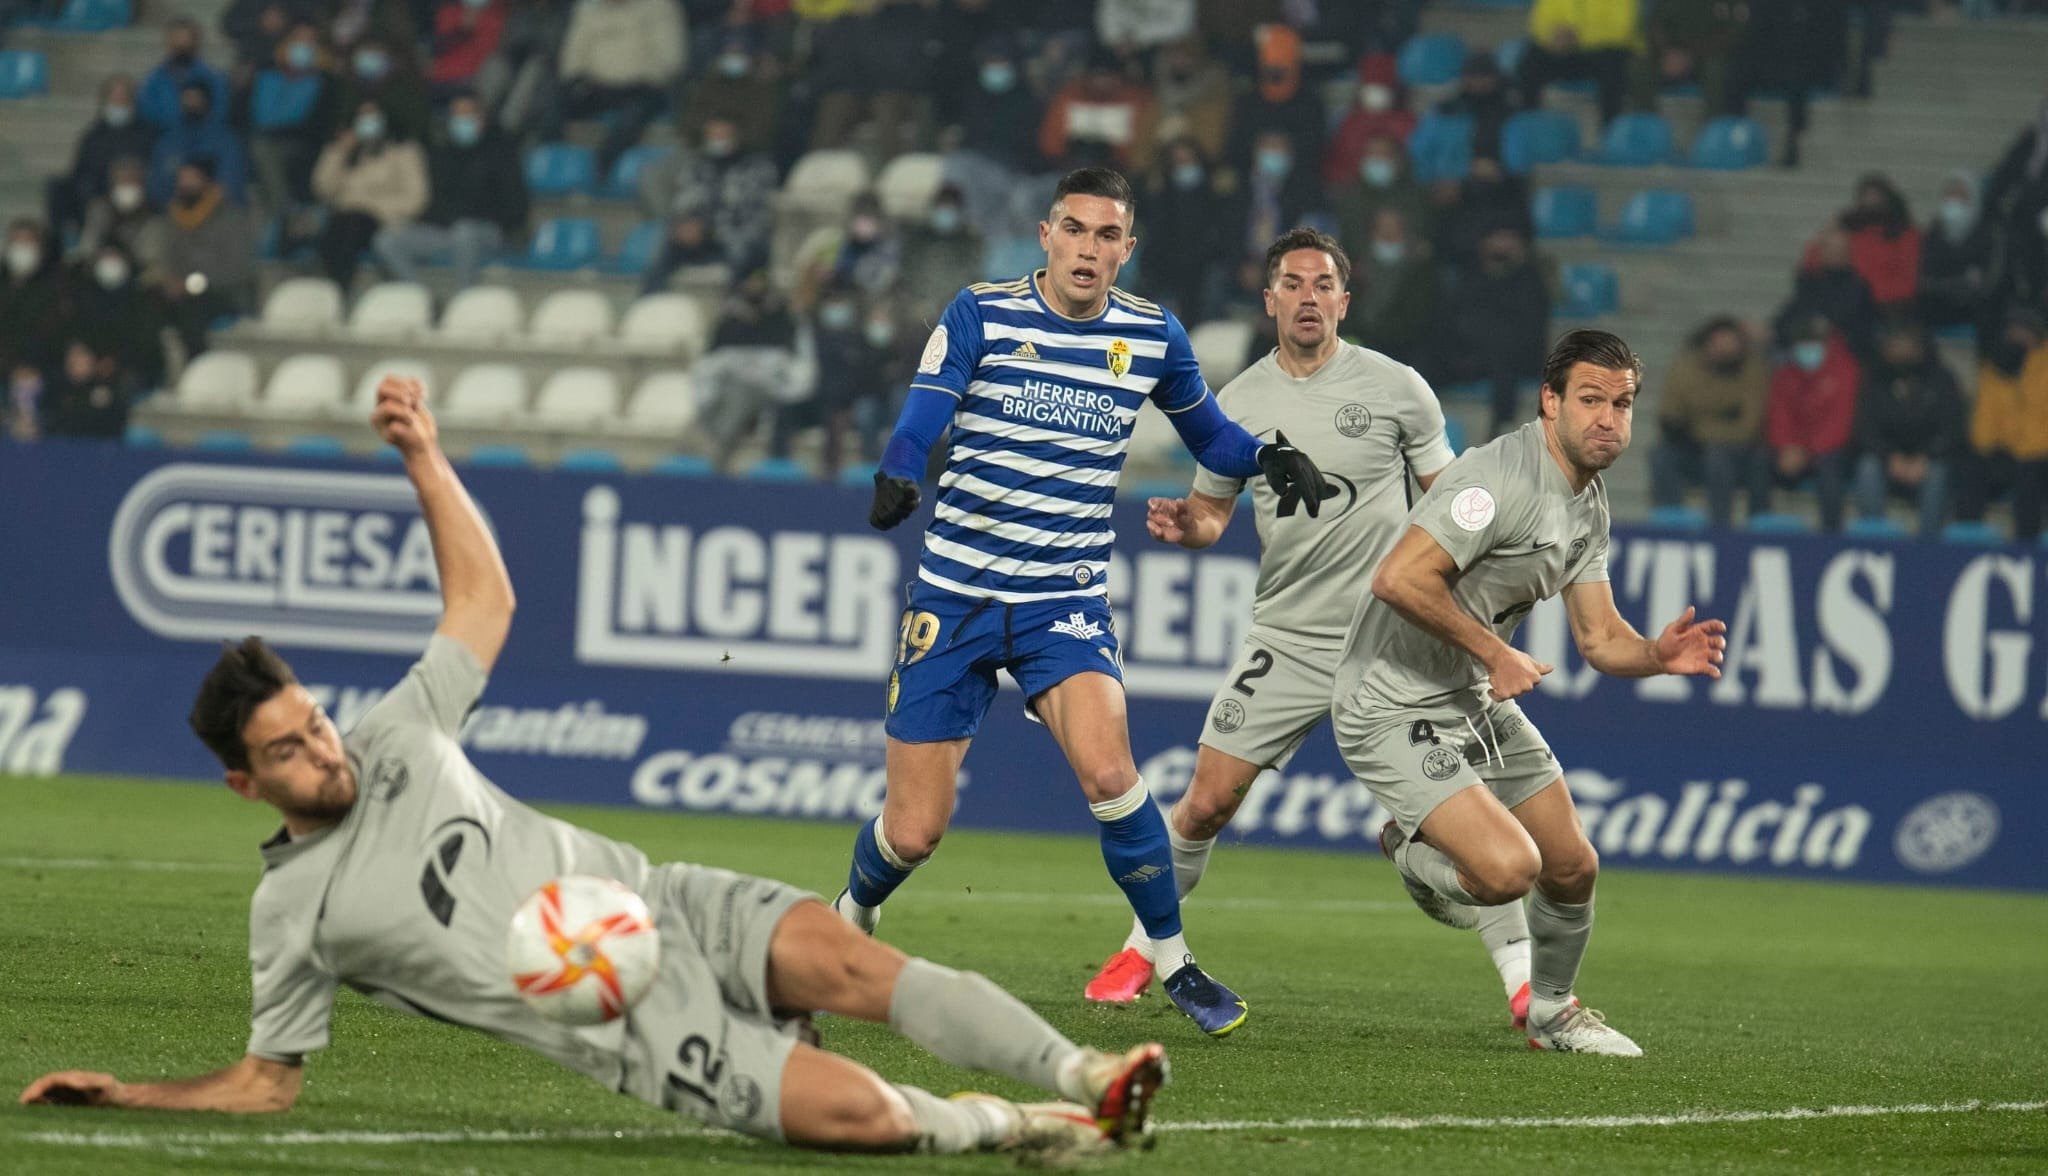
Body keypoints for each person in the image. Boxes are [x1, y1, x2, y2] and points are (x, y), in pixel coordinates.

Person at [16, 377, 1171, 1164]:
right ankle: (1022, 1126)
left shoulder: (396, 733)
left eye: (312, 724)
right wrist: (132, 1094)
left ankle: (1088, 1074)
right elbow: (268, 1082)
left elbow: (484, 600)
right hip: (629, 1028)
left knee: (858, 964)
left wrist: (423, 456)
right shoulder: (291, 912)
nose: (322, 751)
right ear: (245, 785)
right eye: (287, 752)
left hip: (663, 901)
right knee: (864, 1122)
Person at [840, 168, 1335, 1039]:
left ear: (1126, 249)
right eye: (1074, 229)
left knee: (1112, 775)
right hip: (955, 597)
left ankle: (1172, 958)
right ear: (1046, 235)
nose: (1088, 248)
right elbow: (923, 415)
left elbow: (1210, 435)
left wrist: (1266, 456)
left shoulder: (1150, 333)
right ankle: (852, 912)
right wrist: (899, 471)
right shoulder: (981, 312)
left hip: (1061, 601)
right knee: (914, 833)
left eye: (1107, 236)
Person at [1083, 228, 1536, 1030]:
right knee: (1206, 803)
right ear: (1269, 300)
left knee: (1467, 804)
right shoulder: (1237, 403)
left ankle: (1527, 985)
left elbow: (1452, 503)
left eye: (1323, 284)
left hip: (1394, 637)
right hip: (1288, 637)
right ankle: (1142, 948)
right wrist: (1188, 525)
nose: (1307, 297)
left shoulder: (1397, 388)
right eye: (1292, 283)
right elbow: (1213, 514)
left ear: (1344, 301)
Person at [1332, 328, 1728, 1057]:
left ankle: (1551, 1014)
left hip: (1469, 696)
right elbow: (1398, 579)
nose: (1608, 419)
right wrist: (1494, 651)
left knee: (1573, 866)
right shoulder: (1495, 482)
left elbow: (1600, 638)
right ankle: (1408, 850)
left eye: (1622, 404)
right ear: (1550, 402)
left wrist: (1655, 655)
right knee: (1508, 872)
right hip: (1388, 702)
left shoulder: (1588, 502)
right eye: (1590, 400)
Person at [374, 93, 526, 290]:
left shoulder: (502, 152)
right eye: (457, 115)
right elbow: (432, 201)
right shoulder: (442, 153)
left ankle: (465, 298)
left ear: (482, 117)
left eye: (468, 114)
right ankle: (422, 296)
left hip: (490, 231)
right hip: (446, 228)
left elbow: (515, 204)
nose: (462, 120)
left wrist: (475, 216)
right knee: (387, 240)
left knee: (464, 231)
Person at [1649, 316, 1771, 528]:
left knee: (1718, 458)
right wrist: (1722, 417)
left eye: (1729, 344)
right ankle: (1671, 523)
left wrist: (1700, 426)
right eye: (1718, 343)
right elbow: (1670, 414)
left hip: (1738, 452)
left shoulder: (1753, 371)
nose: (1723, 349)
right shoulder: (1686, 367)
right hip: (1692, 447)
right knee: (1661, 456)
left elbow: (1748, 427)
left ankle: (1719, 527)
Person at [1434, 226, 1551, 437]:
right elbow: (1456, 318)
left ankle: (1500, 430)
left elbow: (1530, 326)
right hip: (1473, 351)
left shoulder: (1529, 279)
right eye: (1497, 238)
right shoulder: (1470, 277)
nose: (1501, 245)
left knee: (1503, 360)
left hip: (1514, 356)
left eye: (1508, 238)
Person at [137, 159, 259, 360]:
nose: (184, 185)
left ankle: (197, 364)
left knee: (191, 309)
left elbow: (237, 270)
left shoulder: (233, 219)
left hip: (223, 294)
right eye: (181, 179)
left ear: (208, 182)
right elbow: (169, 259)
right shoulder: (173, 219)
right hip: (181, 292)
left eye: (191, 179)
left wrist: (192, 283)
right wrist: (169, 281)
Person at [1851, 320, 1963, 536]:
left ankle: (1928, 543)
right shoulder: (1874, 379)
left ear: (1919, 347)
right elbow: (1865, 428)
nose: (1900, 351)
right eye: (1895, 345)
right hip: (1887, 459)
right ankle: (1873, 540)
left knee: (1938, 474)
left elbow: (1952, 428)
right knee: (1867, 467)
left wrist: (1927, 457)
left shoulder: (1942, 379)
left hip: (1929, 459)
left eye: (1906, 345)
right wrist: (1890, 456)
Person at [554, 0, 685, 176]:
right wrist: (576, 79)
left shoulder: (660, 7)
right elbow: (573, 53)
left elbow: (670, 59)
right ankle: (548, 163)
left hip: (642, 88)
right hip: (596, 87)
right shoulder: (587, 8)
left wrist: (637, 78)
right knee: (555, 103)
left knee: (632, 116)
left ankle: (603, 167)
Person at [311, 100, 428, 289]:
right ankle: (330, 290)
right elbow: (323, 190)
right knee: (337, 228)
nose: (368, 122)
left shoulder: (403, 150)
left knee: (347, 227)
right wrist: (338, 152)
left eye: (373, 116)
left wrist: (370, 206)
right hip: (344, 219)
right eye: (362, 117)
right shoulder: (348, 151)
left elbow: (417, 198)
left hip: (384, 220)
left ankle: (339, 290)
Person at [1956, 305, 2048, 542]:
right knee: (1972, 467)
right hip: (2008, 451)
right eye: (2012, 330)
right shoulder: (1995, 368)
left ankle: (2025, 546)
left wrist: (2027, 450)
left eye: (2023, 330)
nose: (2016, 336)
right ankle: (1967, 541)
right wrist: (1991, 446)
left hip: (2040, 452)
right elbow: (1983, 425)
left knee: (2029, 474)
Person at [1765, 315, 1861, 531]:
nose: (1808, 348)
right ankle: (1757, 529)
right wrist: (1785, 446)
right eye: (1803, 342)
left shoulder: (1846, 371)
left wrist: (1807, 451)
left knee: (1830, 468)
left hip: (1830, 449)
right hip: (1792, 450)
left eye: (1814, 342)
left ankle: (1831, 533)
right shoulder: (1786, 375)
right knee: (1759, 461)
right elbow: (1779, 415)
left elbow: (1840, 422)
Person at [45, 75, 157, 245]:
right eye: (114, 98)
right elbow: (80, 171)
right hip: (100, 195)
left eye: (123, 98)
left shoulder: (147, 134)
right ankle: (69, 242)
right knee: (59, 188)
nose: (119, 103)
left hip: (137, 194)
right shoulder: (93, 136)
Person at [1516, 0, 1641, 128]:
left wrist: (1577, 36)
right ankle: (1528, 126)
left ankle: (1610, 129)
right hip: (1567, 49)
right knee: (1531, 60)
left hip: (1604, 50)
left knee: (1612, 66)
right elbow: (1539, 22)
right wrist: (1552, 36)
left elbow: (1621, 29)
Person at [1918, 171, 1995, 332]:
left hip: (1973, 303)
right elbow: (1928, 272)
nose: (1954, 201)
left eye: (1960, 195)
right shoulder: (1935, 231)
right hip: (1938, 300)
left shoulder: (1987, 233)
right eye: (1949, 195)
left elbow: (1982, 278)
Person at [140, 18, 232, 132]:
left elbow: (220, 112)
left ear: (196, 42)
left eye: (186, 40)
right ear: (169, 42)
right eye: (177, 39)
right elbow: (148, 113)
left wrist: (199, 111)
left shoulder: (214, 79)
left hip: (207, 137)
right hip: (166, 138)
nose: (181, 44)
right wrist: (178, 112)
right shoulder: (154, 81)